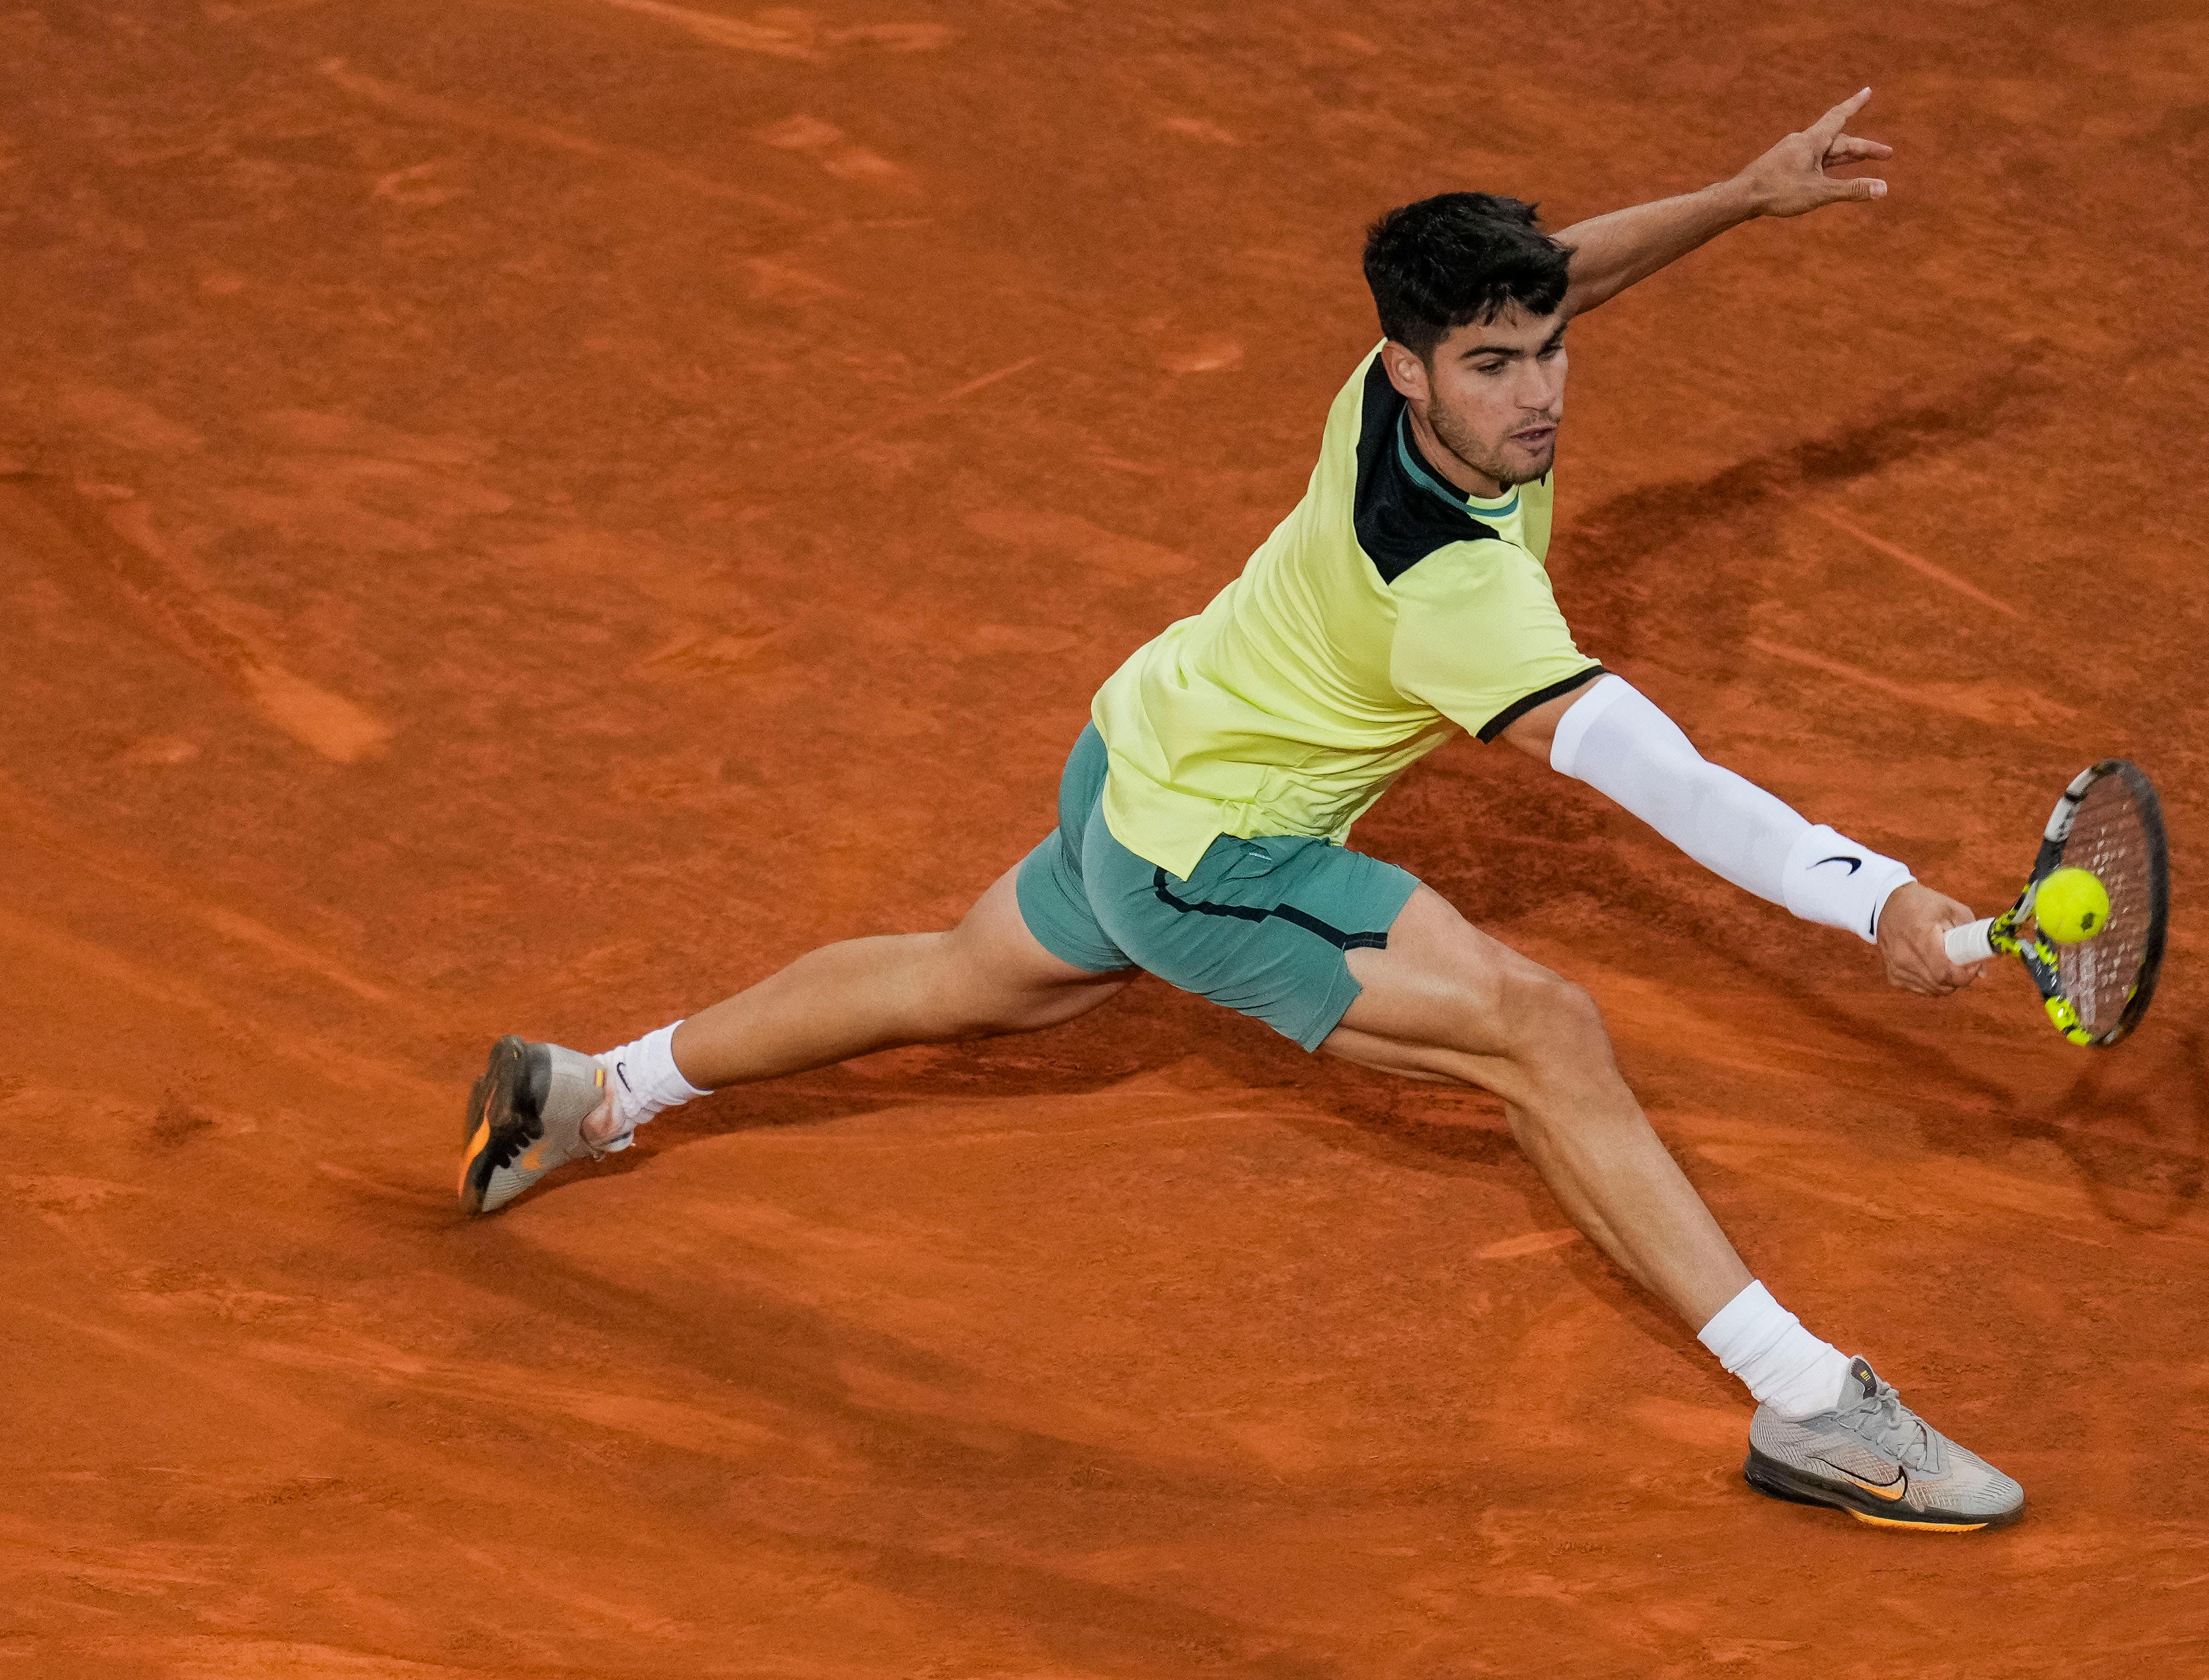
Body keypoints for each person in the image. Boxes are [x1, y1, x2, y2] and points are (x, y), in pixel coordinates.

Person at [459, 89, 2023, 1532]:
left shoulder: (1389, 380)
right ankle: (1810, 1403)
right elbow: (1661, 775)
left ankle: (599, 1087)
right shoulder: (1454, 591)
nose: (1538, 393)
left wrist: (1743, 199)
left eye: (1547, 353)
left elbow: (1559, 271)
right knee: (1541, 1033)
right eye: (1494, 365)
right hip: (1214, 859)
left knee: (962, 975)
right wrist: (1871, 893)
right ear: (1412, 366)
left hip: (1134, 752)